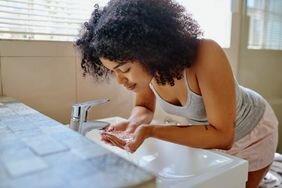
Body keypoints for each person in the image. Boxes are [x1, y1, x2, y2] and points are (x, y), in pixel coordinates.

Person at [75, 0, 279, 187]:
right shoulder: (151, 70)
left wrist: (150, 131)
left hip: (254, 130)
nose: (120, 81)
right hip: (210, 137)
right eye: (113, 72)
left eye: (124, 69)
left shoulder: (206, 54)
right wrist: (133, 124)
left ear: (148, 51)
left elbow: (223, 135)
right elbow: (144, 107)